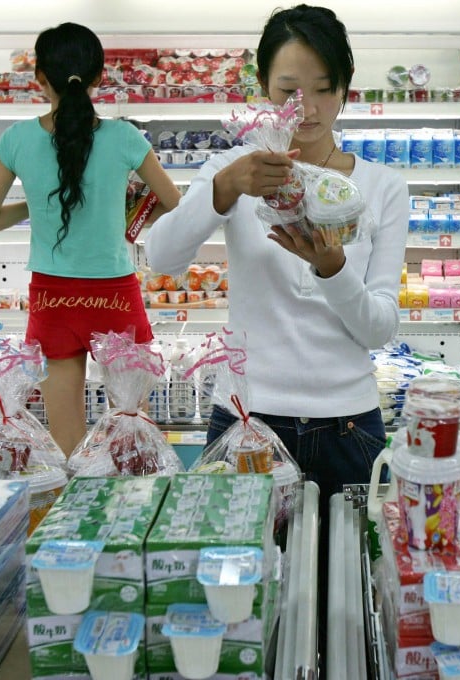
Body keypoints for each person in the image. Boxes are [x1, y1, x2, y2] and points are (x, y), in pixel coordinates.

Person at [145, 2, 408, 659]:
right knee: (237, 615)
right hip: (245, 424)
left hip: (349, 429)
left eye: (324, 89)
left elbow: (379, 329)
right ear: (264, 90)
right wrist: (223, 189)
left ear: (347, 92)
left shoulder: (380, 189)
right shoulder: (237, 170)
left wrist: (332, 268)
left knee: (344, 622)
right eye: (291, 89)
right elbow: (160, 257)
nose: (308, 107)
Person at [0, 22, 180, 457]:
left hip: (52, 298)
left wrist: (38, 203)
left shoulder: (16, 139)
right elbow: (172, 199)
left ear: (39, 79)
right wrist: (128, 212)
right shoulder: (124, 137)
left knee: (66, 445)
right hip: (115, 295)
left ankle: (71, 521)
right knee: (132, 438)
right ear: (99, 78)